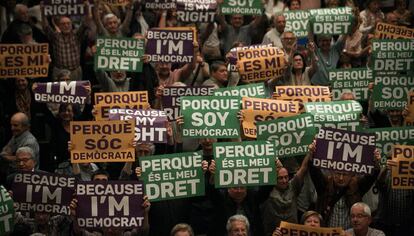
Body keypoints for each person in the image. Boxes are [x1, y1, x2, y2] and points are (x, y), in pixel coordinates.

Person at [261, 150, 312, 236]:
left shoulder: (293, 186)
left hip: (292, 233)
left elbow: (303, 168)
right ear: (273, 178)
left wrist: (310, 152)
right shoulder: (266, 191)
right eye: (280, 178)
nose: (284, 180)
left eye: (286, 177)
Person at [40, 0, 92, 81]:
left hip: (75, 71)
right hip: (59, 71)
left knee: (77, 93)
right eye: (63, 24)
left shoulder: (77, 35)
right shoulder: (55, 36)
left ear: (71, 25)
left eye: (68, 23)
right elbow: (45, 27)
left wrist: (87, 8)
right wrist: (43, 11)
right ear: (59, 26)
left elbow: (86, 22)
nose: (66, 26)